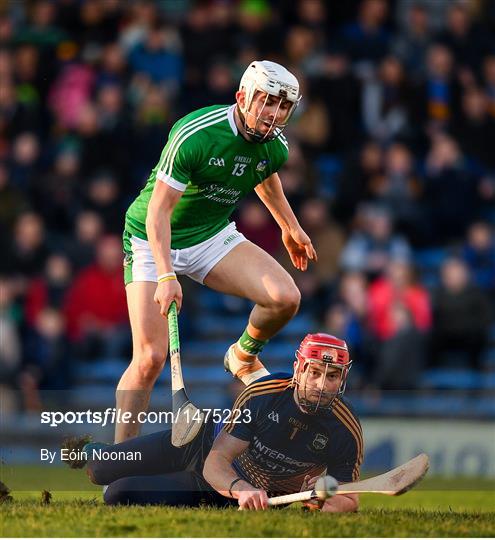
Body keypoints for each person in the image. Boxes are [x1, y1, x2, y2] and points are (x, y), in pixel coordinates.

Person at [117, 60, 317, 442]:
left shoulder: (275, 146)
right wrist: (165, 274)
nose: (274, 114)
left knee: (285, 298)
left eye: (283, 106)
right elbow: (159, 212)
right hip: (151, 237)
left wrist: (290, 226)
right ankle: (117, 461)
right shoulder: (196, 135)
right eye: (266, 102)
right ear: (242, 97)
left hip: (210, 236)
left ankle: (241, 356)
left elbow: (263, 174)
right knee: (149, 359)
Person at [81, 334, 362, 512]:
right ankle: (98, 452)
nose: (322, 385)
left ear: (343, 379)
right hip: (199, 446)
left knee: (119, 494)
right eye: (314, 373)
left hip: (219, 489)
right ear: (298, 369)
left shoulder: (345, 429)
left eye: (332, 376)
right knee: (98, 468)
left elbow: (349, 500)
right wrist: (243, 488)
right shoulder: (263, 394)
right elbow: (217, 461)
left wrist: (317, 499)